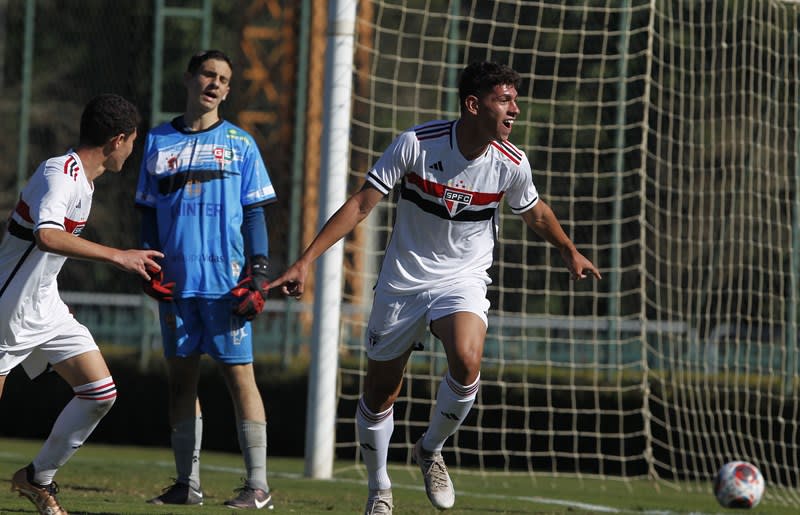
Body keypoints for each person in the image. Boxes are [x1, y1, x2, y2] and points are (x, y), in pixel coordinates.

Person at [271, 61, 601, 514]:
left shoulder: (511, 163)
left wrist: (569, 250)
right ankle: (379, 488)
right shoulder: (415, 145)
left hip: (461, 280)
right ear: (473, 104)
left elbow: (536, 212)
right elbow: (362, 204)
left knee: (467, 360)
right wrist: (305, 262)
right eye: (504, 100)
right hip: (402, 283)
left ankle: (429, 449)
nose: (515, 110)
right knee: (380, 393)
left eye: (515, 100)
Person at [0, 93, 160, 515]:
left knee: (99, 392)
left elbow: (48, 252)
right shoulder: (60, 174)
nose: (132, 150)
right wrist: (118, 255)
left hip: (44, 307)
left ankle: (37, 478)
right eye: (132, 142)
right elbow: (48, 236)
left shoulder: (85, 184)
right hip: (6, 309)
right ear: (117, 140)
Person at [135, 49, 277, 510]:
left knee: (241, 380)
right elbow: (146, 215)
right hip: (177, 286)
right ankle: (186, 484)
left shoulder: (241, 144)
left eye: (224, 79)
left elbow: (255, 213)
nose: (215, 84)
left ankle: (257, 486)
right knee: (181, 383)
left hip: (226, 285)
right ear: (189, 78)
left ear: (228, 90)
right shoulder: (157, 141)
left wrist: (257, 273)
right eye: (208, 75)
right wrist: (147, 265)